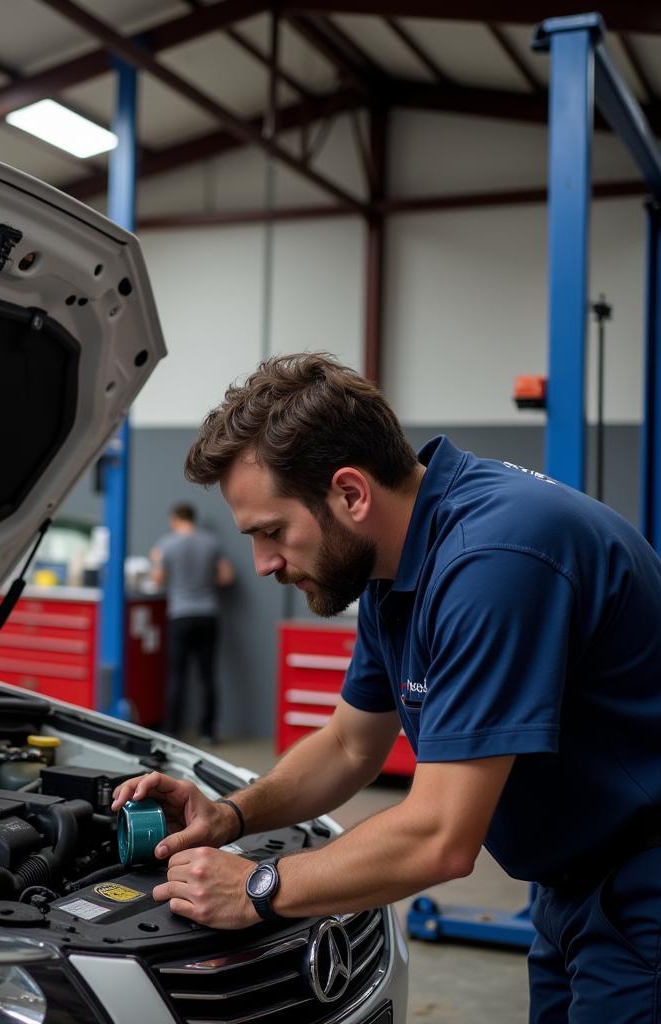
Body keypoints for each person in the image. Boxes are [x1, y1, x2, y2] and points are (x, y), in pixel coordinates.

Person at [112, 352, 661, 1024]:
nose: (263, 565)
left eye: (272, 532)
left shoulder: (494, 560)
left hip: (643, 886)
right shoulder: (395, 567)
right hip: (571, 890)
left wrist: (259, 885)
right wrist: (230, 816)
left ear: (350, 493)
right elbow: (349, 745)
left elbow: (440, 837)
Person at [150, 502, 234, 744]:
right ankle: (208, 732)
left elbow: (157, 580)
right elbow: (227, 577)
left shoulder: (166, 543)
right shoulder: (211, 542)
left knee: (177, 674)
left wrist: (157, 561)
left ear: (175, 519)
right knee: (207, 675)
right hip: (208, 613)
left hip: (180, 614)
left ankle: (172, 731)